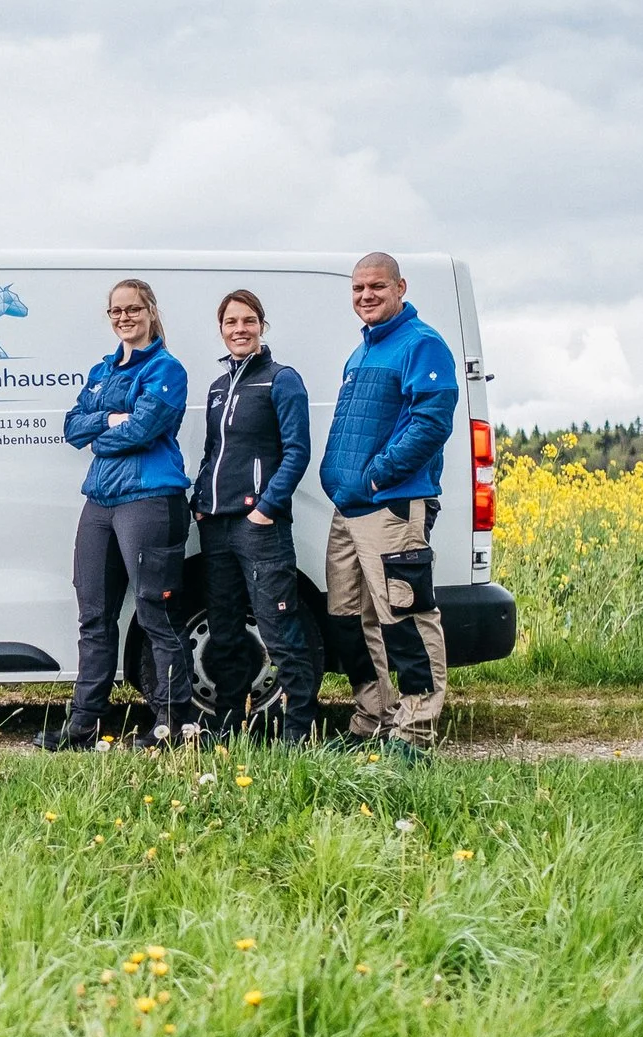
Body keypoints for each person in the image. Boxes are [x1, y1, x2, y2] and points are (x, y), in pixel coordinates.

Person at [35, 278, 196, 751]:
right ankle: (83, 725)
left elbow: (146, 429)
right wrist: (110, 420)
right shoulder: (102, 370)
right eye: (116, 311)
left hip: (149, 499)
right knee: (94, 617)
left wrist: (104, 433)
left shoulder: (167, 368)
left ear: (150, 311)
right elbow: (71, 427)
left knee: (155, 614)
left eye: (133, 309)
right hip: (101, 502)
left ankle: (172, 724)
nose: (124, 317)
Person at [319, 252, 459, 751]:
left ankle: (415, 731)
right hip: (349, 508)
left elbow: (431, 422)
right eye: (358, 289)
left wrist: (377, 475)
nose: (366, 296)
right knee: (348, 617)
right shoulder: (360, 353)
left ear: (400, 286)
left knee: (406, 614)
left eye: (376, 286)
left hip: (392, 504)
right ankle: (373, 718)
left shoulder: (421, 345)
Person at [190, 289, 324, 742]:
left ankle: (298, 732)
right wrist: (200, 504)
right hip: (217, 526)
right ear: (221, 329)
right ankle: (226, 725)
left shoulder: (282, 379)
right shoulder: (217, 387)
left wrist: (266, 509)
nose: (239, 329)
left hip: (260, 528)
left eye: (248, 321)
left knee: (279, 629)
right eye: (231, 322)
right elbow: (214, 452)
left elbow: (297, 451)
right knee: (225, 629)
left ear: (262, 326)